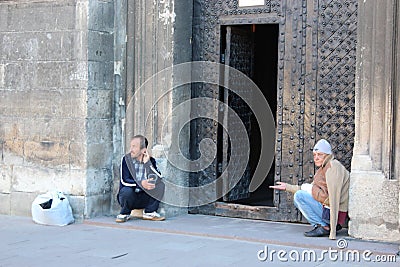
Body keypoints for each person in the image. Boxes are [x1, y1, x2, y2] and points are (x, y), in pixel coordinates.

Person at [270, 139, 349, 239]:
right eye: (314, 155)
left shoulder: (333, 167)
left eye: (320, 154)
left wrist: (333, 231)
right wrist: (287, 187)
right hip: (328, 211)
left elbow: (331, 198)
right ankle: (323, 226)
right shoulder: (324, 168)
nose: (316, 158)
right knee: (299, 195)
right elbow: (311, 189)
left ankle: (324, 227)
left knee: (299, 196)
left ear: (327, 155)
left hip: (334, 215)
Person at [116, 135, 165, 222]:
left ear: (143, 150)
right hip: (130, 196)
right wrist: (141, 184)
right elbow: (125, 180)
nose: (131, 149)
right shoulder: (126, 160)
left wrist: (148, 164)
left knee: (160, 185)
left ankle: (149, 212)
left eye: (134, 147)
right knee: (126, 190)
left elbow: (159, 178)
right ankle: (124, 213)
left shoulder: (151, 161)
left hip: (144, 197)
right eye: (131, 146)